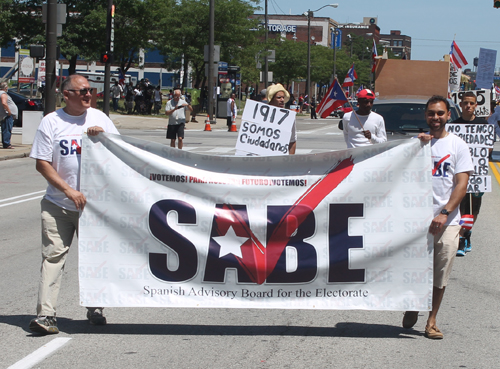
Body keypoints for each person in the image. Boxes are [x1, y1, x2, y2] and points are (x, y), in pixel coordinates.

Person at [28, 74, 120, 335]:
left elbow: (121, 155)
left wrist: (103, 139)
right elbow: (42, 163)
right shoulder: (51, 122)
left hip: (93, 207)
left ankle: (95, 307)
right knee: (53, 257)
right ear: (66, 94)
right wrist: (68, 191)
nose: (88, 95)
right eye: (82, 92)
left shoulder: (100, 119)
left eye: (91, 90)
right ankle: (46, 315)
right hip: (57, 204)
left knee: (95, 259)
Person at [402, 95, 473, 340]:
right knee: (415, 269)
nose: (435, 117)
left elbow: (462, 184)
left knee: (440, 273)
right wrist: (416, 146)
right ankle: (412, 304)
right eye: (431, 113)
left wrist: (445, 213)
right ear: (426, 116)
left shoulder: (458, 145)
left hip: (448, 222)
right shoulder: (416, 143)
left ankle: (432, 320)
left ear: (448, 115)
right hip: (417, 221)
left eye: (440, 113)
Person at [452, 92, 488, 256]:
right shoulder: (454, 125)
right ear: (460, 104)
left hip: (477, 174)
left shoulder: (483, 124)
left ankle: (467, 234)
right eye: (465, 103)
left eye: (471, 103)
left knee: (474, 207)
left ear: (476, 105)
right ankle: (460, 238)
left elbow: (487, 150)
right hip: (459, 173)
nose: (468, 106)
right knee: (460, 206)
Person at [266, 83, 296, 155]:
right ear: (271, 99)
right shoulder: (261, 114)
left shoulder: (288, 117)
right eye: (279, 97)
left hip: (281, 158)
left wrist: (290, 160)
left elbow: (292, 141)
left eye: (283, 97)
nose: (282, 100)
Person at [0, 81, 18, 149]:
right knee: (7, 129)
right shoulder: (3, 94)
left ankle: (6, 143)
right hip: (7, 115)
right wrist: (9, 111)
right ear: (6, 88)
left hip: (4, 114)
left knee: (5, 128)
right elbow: (4, 103)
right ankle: (7, 144)